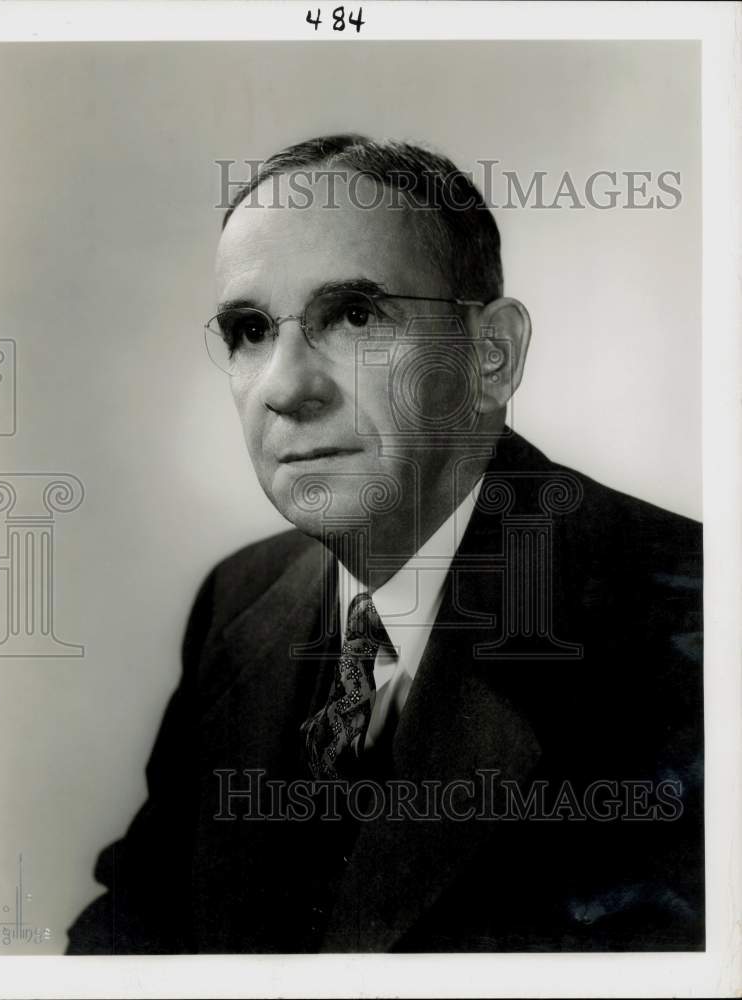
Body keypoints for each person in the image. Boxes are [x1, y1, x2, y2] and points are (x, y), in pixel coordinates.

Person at [66, 134, 703, 954]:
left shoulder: (691, 624)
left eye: (357, 315)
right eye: (250, 329)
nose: (288, 389)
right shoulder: (240, 602)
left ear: (490, 357)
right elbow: (134, 925)